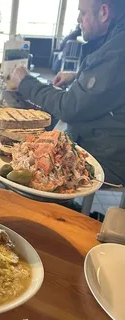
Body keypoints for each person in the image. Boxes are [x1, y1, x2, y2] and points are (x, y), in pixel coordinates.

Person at [10, 0, 125, 186]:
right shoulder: (116, 39)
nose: (78, 19)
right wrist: (78, 77)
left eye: (83, 13)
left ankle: (58, 210)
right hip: (108, 143)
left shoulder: (118, 51)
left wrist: (26, 83)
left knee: (30, 158)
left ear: (104, 12)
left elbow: (68, 107)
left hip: (108, 157)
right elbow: (110, 84)